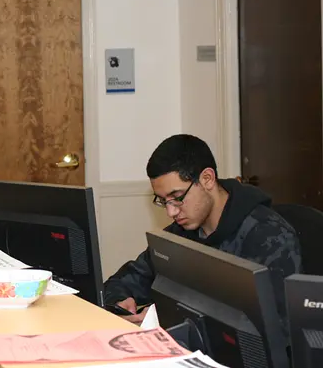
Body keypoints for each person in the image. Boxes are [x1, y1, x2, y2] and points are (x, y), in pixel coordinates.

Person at [102, 134, 302, 336]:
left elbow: (275, 330)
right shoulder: (180, 232)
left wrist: (164, 320)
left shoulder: (268, 236)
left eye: (177, 197)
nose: (171, 212)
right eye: (163, 201)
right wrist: (118, 302)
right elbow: (124, 280)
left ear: (207, 179)